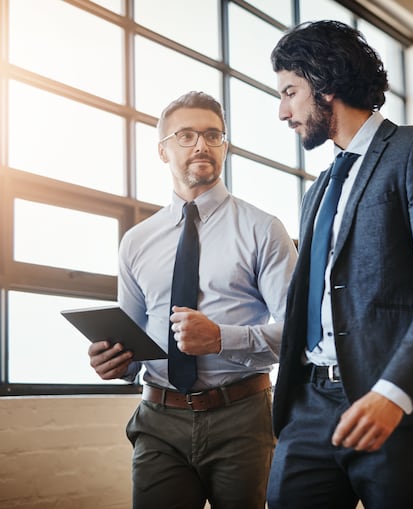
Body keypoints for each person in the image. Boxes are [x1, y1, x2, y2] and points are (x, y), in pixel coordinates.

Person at [267, 20, 413, 509]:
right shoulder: (318, 189)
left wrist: (394, 392)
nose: (283, 111)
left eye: (290, 92)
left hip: (393, 407)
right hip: (310, 405)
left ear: (327, 83)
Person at [87, 91, 297, 509]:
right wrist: (114, 360)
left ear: (224, 146)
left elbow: (301, 333)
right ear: (162, 151)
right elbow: (130, 340)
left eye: (212, 135)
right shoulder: (136, 242)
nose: (201, 145)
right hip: (159, 419)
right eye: (185, 135)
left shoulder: (263, 230)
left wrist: (221, 338)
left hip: (243, 415)